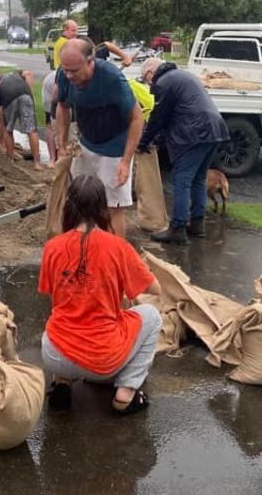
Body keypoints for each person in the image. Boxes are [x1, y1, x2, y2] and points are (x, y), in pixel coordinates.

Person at [39, 175, 162, 415]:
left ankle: (62, 383)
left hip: (55, 355)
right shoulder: (118, 247)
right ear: (102, 207)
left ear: (69, 205)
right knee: (152, 316)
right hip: (103, 360)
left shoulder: (52, 247)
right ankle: (125, 395)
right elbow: (155, 289)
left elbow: (53, 294)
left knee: (59, 316)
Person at [56, 39, 144, 238]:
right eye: (65, 70)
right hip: (86, 145)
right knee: (78, 203)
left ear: (90, 62)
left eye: (74, 70)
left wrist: (125, 161)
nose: (68, 75)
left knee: (112, 207)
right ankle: (81, 249)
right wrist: (61, 145)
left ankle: (114, 257)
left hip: (114, 149)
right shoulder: (64, 76)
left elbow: (137, 118)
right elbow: (62, 106)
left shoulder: (112, 78)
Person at [138, 59, 230, 244]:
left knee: (182, 179)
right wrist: (157, 139)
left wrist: (143, 142)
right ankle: (197, 224)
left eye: (146, 79)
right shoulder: (184, 76)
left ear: (150, 72)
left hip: (194, 134)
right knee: (198, 178)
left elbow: (158, 117)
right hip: (214, 129)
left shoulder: (164, 82)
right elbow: (176, 114)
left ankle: (177, 228)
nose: (149, 84)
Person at [0, 70, 43, 170]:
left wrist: (1, 143)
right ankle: (37, 164)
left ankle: (10, 159)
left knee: (9, 130)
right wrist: (29, 91)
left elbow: (0, 122)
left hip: (9, 99)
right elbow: (28, 73)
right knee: (32, 130)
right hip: (26, 96)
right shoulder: (16, 75)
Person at [41, 70, 59, 163]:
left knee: (51, 125)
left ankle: (53, 159)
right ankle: (54, 158)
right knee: (51, 125)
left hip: (50, 90)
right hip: (51, 92)